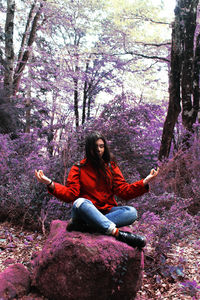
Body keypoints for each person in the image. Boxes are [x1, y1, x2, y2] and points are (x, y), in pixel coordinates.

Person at [35, 132, 159, 248]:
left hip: (106, 211)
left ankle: (88, 227)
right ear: (88, 149)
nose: (98, 150)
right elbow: (70, 195)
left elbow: (124, 191)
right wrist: (50, 183)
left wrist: (144, 182)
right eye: (95, 147)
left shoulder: (111, 167)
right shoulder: (78, 168)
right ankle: (117, 233)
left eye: (101, 146)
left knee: (131, 212)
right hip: (85, 212)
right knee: (80, 202)